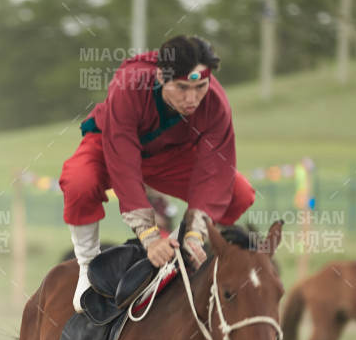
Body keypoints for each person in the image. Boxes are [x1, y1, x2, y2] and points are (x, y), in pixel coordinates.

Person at [59, 35, 254, 311]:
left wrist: (195, 234)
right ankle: (88, 268)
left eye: (200, 86)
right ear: (162, 77)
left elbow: (214, 173)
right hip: (112, 144)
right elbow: (124, 162)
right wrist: (150, 237)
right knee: (79, 181)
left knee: (239, 193)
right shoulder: (129, 84)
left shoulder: (216, 103)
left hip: (170, 156)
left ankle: (178, 254)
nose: (193, 98)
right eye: (182, 87)